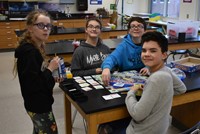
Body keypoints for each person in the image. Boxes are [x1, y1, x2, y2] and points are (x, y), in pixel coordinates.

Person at [125, 31, 187, 134]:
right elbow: (181, 89)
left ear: (164, 55)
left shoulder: (156, 79)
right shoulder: (166, 70)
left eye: (153, 51)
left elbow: (137, 114)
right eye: (144, 50)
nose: (146, 54)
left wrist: (131, 92)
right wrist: (157, 94)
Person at [13, 9, 61, 134]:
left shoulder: (36, 47)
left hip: (35, 103)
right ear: (30, 28)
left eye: (48, 25)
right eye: (40, 25)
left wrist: (50, 76)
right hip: (39, 105)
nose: (46, 29)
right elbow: (34, 85)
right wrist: (50, 69)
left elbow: (36, 76)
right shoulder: (30, 53)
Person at [101, 17, 148, 86]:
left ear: (144, 30)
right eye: (133, 26)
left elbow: (157, 60)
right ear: (129, 30)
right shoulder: (123, 46)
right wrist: (106, 68)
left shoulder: (148, 44)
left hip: (145, 77)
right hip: (127, 79)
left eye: (140, 26)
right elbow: (112, 58)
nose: (136, 28)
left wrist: (149, 68)